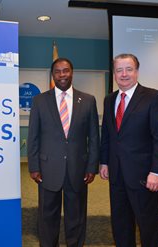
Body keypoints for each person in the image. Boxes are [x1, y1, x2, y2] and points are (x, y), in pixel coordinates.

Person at [99, 53, 158, 247]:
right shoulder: (109, 99)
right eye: (119, 70)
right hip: (117, 174)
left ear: (137, 72)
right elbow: (107, 134)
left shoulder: (153, 97)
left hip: (144, 177)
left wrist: (157, 172)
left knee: (147, 227)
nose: (124, 74)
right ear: (114, 73)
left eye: (128, 69)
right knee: (120, 225)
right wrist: (104, 161)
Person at [27, 57, 100, 247]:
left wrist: (92, 166)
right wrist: (33, 166)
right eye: (58, 71)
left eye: (65, 70)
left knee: (75, 215)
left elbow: (93, 137)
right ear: (53, 74)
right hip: (47, 168)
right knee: (47, 215)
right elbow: (33, 136)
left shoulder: (88, 101)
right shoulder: (39, 100)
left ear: (72, 72)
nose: (62, 75)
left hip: (78, 168)